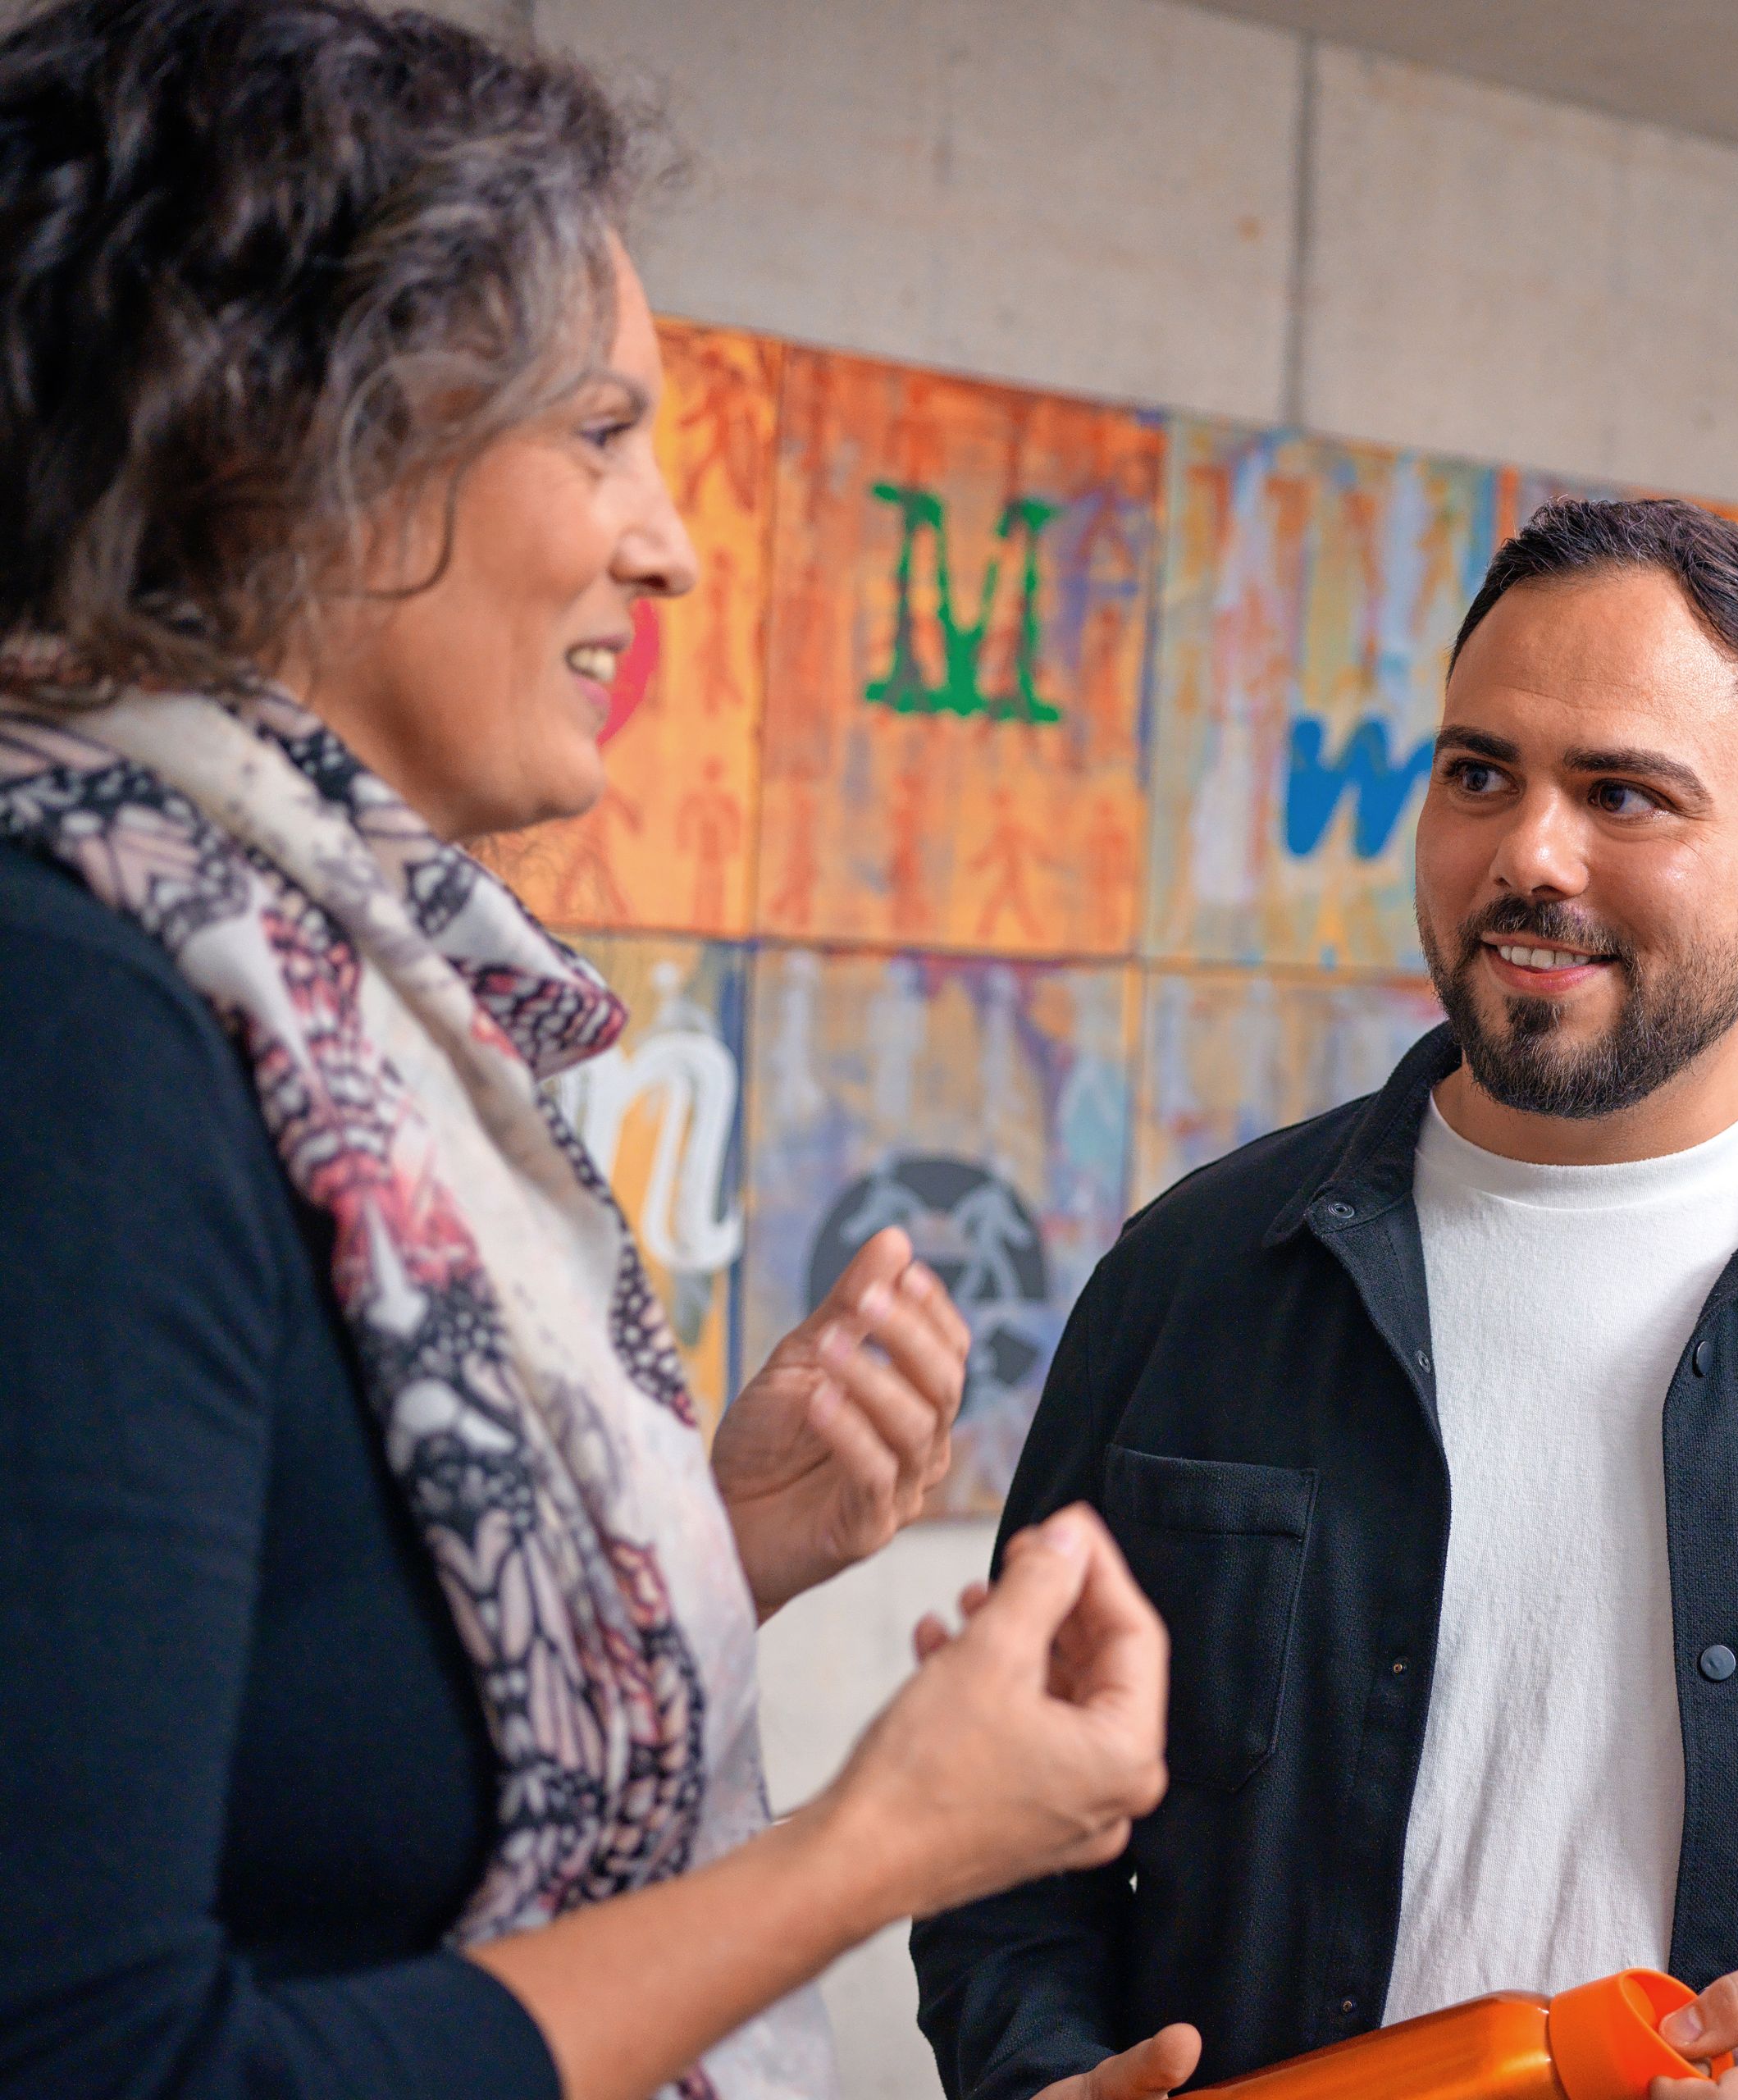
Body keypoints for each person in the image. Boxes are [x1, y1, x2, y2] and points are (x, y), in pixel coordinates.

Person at [0, 7, 1167, 2098]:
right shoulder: (70, 1019)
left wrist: (712, 1545)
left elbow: (287, 1757)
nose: (672, 540)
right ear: (299, 436)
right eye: (600, 430)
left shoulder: (330, 991)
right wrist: (872, 1848)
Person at [912, 498, 1738, 2100]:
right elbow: (1003, 1835)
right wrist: (1042, 2068)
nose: (1529, 852)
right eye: (1480, 773)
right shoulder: (1192, 1276)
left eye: (1625, 793)